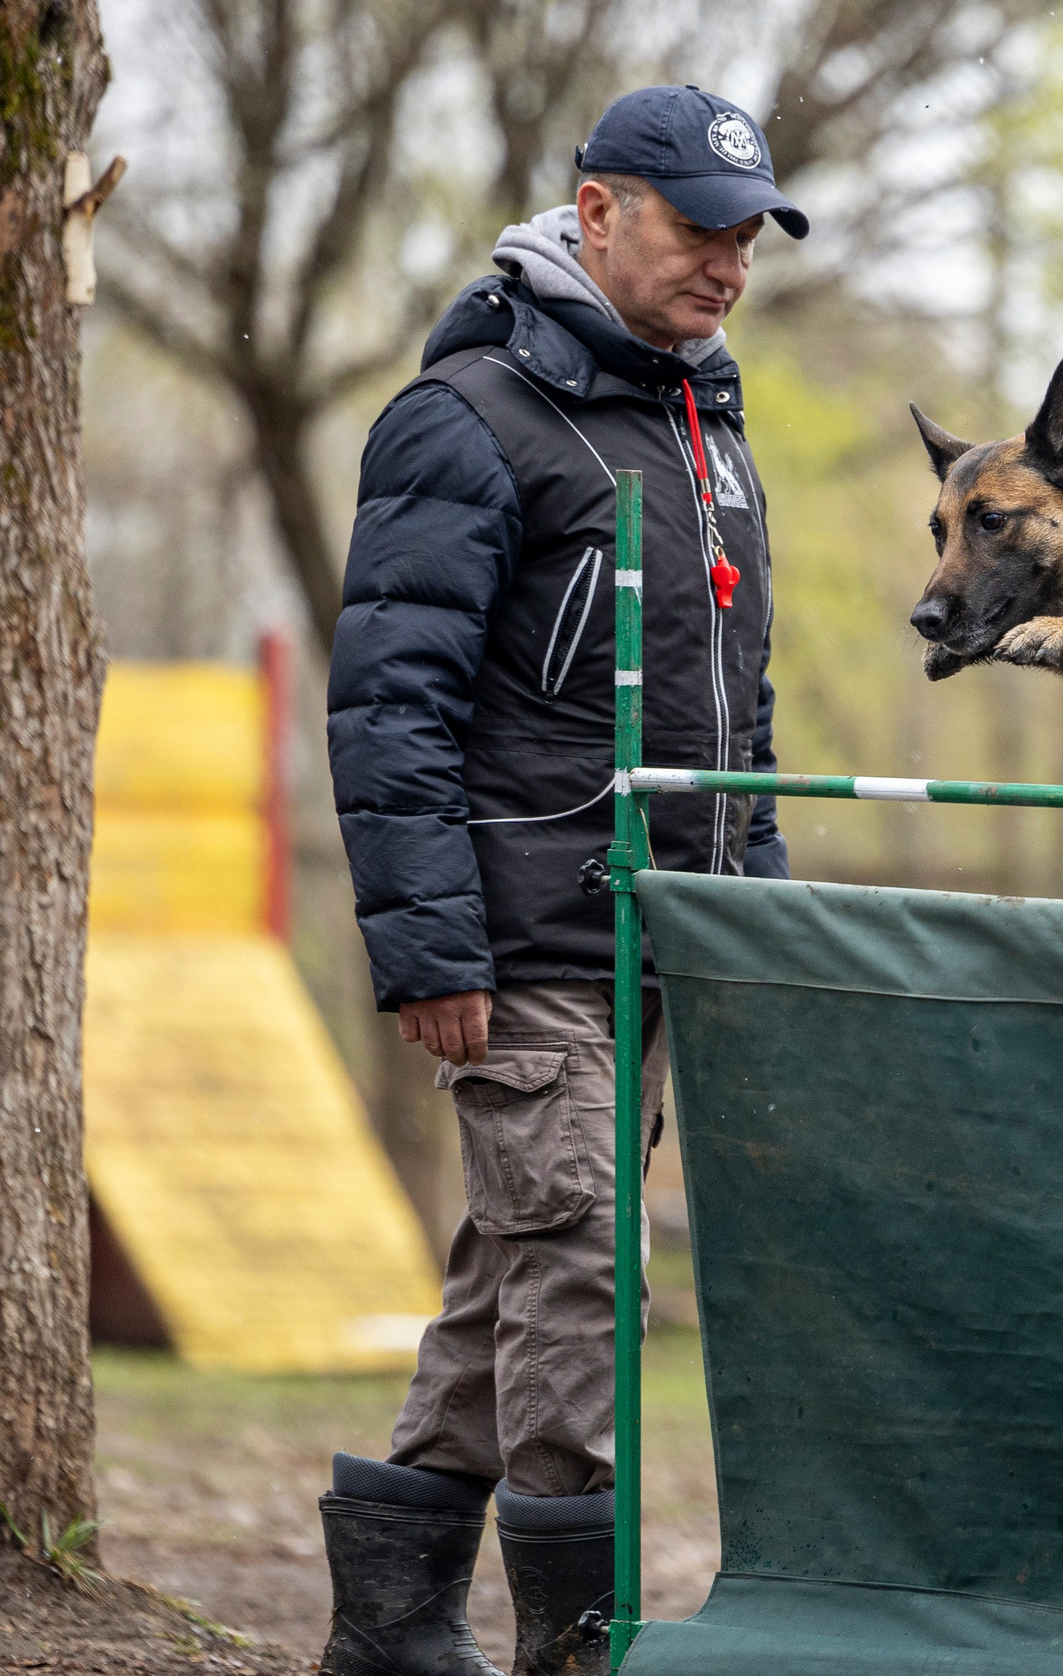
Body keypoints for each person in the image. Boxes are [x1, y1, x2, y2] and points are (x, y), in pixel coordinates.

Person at [315, 84, 804, 1676]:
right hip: (525, 939)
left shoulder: (710, 426)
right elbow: (392, 707)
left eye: (748, 237)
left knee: (515, 1273)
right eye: (696, 228)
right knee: (587, 1274)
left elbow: (745, 708)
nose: (727, 264)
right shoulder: (465, 417)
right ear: (596, 212)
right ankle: (574, 1651)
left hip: (668, 939)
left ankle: (388, 1635)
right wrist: (429, 949)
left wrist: (758, 917)